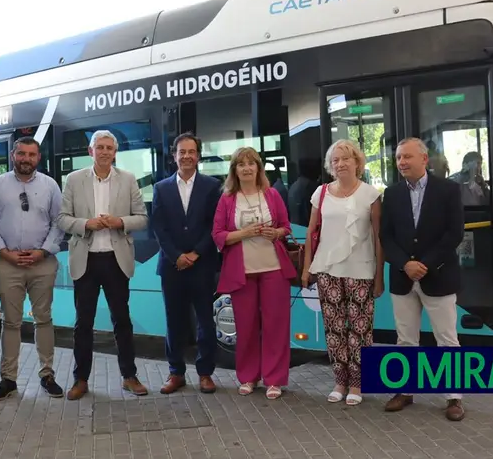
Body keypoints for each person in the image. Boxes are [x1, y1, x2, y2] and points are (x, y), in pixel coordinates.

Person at [56, 130, 149, 400]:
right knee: (83, 323)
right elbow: (62, 219)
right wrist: (86, 224)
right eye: (100, 147)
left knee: (122, 321)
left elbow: (142, 218)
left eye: (110, 147)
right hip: (85, 260)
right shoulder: (74, 180)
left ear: (115, 152)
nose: (105, 151)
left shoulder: (128, 179)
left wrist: (120, 222)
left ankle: (129, 376)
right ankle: (80, 379)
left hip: (115, 259)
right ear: (91, 151)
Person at [379, 137, 465, 421]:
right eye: (398, 158)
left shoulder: (448, 190)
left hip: (438, 276)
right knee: (405, 340)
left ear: (424, 159)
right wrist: (405, 264)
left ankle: (454, 397)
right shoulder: (390, 194)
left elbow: (454, 234)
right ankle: (405, 391)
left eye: (407, 157)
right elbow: (386, 237)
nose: (401, 162)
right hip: (403, 279)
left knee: (447, 339)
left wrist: (423, 264)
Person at [301, 140, 384, 406]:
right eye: (335, 160)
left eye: (346, 158)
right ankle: (339, 381)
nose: (340, 164)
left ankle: (358, 384)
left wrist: (379, 275)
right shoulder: (321, 193)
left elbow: (378, 237)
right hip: (327, 269)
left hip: (361, 269)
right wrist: (306, 269)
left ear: (357, 162)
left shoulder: (370, 194)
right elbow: (311, 233)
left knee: (360, 331)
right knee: (334, 329)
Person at [0, 137, 65, 400]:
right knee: (10, 322)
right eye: (21, 154)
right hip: (8, 264)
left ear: (38, 158)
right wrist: (6, 254)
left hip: (43, 263)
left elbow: (58, 222)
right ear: (12, 155)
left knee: (44, 319)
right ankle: (9, 379)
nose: (26, 159)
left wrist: (42, 251)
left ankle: (47, 375)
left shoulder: (50, 185)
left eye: (31, 154)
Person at [211, 146, 296, 400]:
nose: (247, 168)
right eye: (241, 164)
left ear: (258, 168)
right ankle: (248, 377)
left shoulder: (271, 194)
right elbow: (217, 235)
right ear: (234, 170)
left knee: (276, 326)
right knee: (246, 327)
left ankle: (274, 380)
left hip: (274, 269)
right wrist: (244, 234)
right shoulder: (227, 199)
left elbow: (286, 226)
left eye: (252, 163)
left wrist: (277, 233)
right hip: (242, 272)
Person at [151, 132, 222, 394]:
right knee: (174, 321)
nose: (187, 156)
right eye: (182, 152)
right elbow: (158, 227)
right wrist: (176, 256)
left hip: (202, 265)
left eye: (192, 152)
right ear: (174, 156)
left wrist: (195, 254)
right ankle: (175, 373)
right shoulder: (160, 188)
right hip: (172, 266)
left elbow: (214, 225)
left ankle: (205, 373)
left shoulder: (213, 186)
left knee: (205, 320)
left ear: (198, 156)